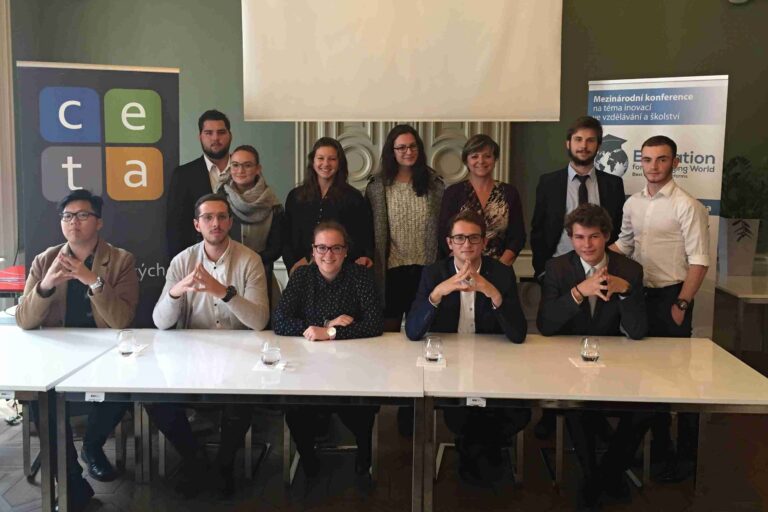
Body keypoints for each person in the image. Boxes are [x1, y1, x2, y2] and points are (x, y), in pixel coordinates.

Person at [16, 190, 138, 511]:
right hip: (57, 354)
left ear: (98, 222)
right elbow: (24, 319)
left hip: (105, 353)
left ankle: (92, 447)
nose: (74, 222)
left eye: (83, 215)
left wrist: (92, 280)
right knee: (41, 401)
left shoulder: (121, 260)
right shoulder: (45, 260)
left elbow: (121, 320)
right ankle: (71, 483)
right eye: (68, 216)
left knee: (121, 393)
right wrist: (45, 286)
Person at [153, 193, 270, 495]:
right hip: (191, 357)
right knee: (154, 399)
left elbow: (259, 321)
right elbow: (160, 322)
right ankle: (194, 459)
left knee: (240, 400)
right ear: (197, 224)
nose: (215, 223)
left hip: (239, 356)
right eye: (208, 217)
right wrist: (176, 292)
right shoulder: (182, 261)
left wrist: (223, 292)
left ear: (230, 222)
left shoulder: (250, 260)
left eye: (221, 217)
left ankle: (224, 465)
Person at [611, 135, 710, 482]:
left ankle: (684, 459)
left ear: (675, 163)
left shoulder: (687, 205)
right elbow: (624, 245)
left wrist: (682, 303)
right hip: (640, 297)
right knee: (644, 377)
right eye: (648, 159)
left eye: (662, 159)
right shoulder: (633, 204)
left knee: (677, 381)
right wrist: (585, 255)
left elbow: (699, 261)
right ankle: (659, 450)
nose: (653, 166)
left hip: (672, 297)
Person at [537, 203, 650, 507]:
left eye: (594, 237)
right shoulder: (558, 268)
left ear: (607, 236)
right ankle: (594, 477)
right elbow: (546, 325)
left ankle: (606, 474)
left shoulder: (630, 270)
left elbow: (638, 332)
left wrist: (625, 291)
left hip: (617, 363)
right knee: (577, 407)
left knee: (645, 410)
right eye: (579, 237)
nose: (586, 245)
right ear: (571, 238)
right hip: (570, 363)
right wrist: (578, 292)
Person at [406, 210, 529, 482]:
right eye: (459, 238)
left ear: (484, 242)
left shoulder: (501, 273)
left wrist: (491, 291)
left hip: (492, 365)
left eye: (474, 238)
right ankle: (481, 459)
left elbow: (518, 334)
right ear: (449, 243)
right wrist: (438, 293)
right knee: (464, 412)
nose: (467, 245)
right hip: (449, 366)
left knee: (513, 411)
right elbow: (413, 332)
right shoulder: (433, 273)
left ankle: (478, 454)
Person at [530, 115, 625, 439]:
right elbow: (538, 228)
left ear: (598, 146)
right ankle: (551, 411)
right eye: (579, 140)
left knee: (595, 337)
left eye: (590, 140)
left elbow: (616, 230)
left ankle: (592, 411)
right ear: (568, 144)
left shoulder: (613, 184)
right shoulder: (549, 181)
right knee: (556, 343)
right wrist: (541, 269)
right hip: (558, 272)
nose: (584, 146)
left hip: (599, 269)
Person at [273, 221, 383, 477]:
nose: (328, 254)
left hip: (353, 366)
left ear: (346, 251)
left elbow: (375, 324)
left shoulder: (360, 276)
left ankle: (363, 458)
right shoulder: (302, 276)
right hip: (308, 367)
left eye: (336, 248)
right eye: (321, 247)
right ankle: (308, 459)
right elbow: (279, 321)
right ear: (313, 251)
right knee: (296, 410)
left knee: (363, 408)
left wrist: (332, 333)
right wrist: (325, 325)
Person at [365, 124, 444, 331]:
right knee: (388, 332)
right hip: (391, 269)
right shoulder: (377, 186)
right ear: (392, 151)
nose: (408, 152)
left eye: (412, 146)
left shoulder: (434, 183)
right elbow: (369, 231)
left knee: (421, 330)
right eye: (401, 147)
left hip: (426, 268)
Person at [282, 137, 374, 275]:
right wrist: (292, 266)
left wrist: (313, 258)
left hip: (342, 272)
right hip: (302, 271)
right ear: (313, 161)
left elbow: (361, 237)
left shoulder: (353, 198)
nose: (326, 163)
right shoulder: (295, 196)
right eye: (320, 158)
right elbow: (286, 238)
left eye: (332, 159)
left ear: (339, 163)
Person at [438, 134, 525, 265]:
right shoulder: (453, 193)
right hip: (461, 269)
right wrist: (465, 268)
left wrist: (499, 269)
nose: (481, 161)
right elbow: (444, 235)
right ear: (466, 161)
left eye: (487, 156)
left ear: (495, 159)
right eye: (475, 156)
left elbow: (517, 237)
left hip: (501, 267)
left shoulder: (510, 193)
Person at [218, 144, 283, 310]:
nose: (240, 170)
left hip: (261, 277)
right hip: (224, 277)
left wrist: (249, 263)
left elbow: (276, 247)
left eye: (247, 165)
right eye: (235, 165)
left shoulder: (274, 205)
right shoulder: (218, 201)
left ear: (258, 169)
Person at [166, 109, 232, 258]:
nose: (215, 138)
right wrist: (186, 265)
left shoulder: (245, 169)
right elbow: (176, 229)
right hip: (198, 261)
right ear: (200, 137)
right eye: (209, 133)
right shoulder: (183, 175)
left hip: (244, 260)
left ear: (230, 135)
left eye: (221, 132)